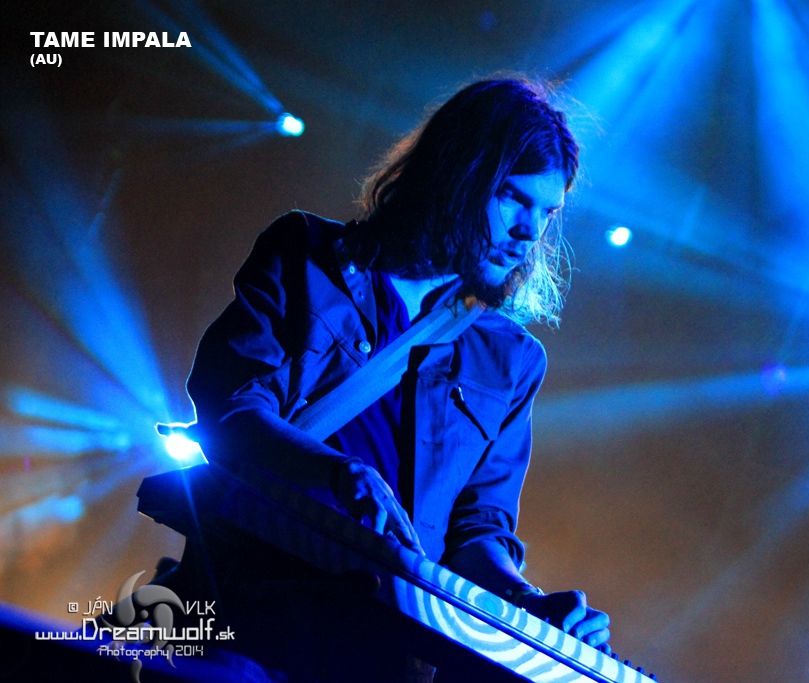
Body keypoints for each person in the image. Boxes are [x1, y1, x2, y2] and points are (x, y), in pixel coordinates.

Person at [184, 78, 611, 677]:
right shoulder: (304, 256)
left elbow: (477, 531)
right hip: (247, 611)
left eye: (547, 213)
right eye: (513, 197)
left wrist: (528, 601)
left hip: (384, 652)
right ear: (456, 175)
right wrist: (336, 473)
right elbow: (230, 410)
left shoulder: (513, 360)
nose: (529, 232)